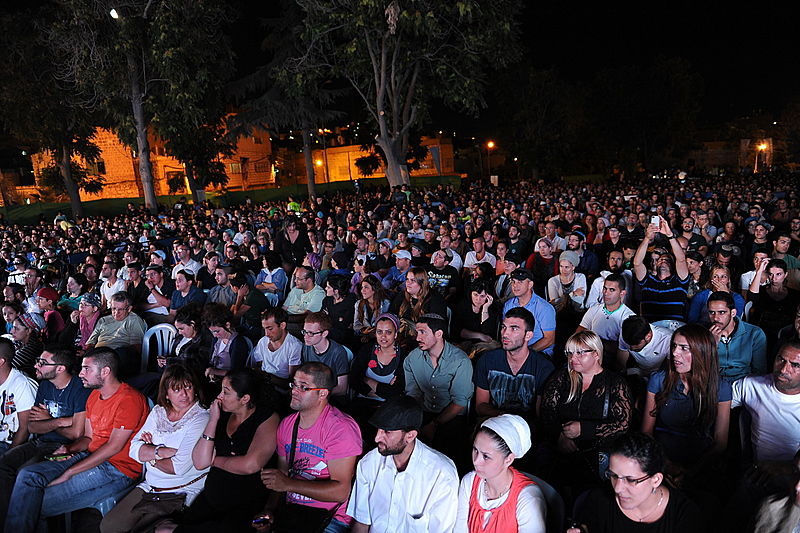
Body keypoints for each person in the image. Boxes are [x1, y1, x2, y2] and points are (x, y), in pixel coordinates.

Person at [5, 348, 149, 533]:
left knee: (31, 502)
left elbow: (113, 447)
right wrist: (69, 449)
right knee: (28, 477)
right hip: (89, 455)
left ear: (105, 371)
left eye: (86, 369)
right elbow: (88, 438)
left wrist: (70, 472)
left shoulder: (129, 399)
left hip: (116, 468)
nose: (80, 373)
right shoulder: (94, 396)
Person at [158, 369, 279, 533]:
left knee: (169, 530)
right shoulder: (221, 414)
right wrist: (213, 420)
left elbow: (251, 464)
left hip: (245, 504)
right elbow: (200, 462)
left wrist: (214, 460)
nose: (219, 396)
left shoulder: (267, 418)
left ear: (244, 399)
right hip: (212, 497)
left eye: (226, 392)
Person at [101, 364, 210, 533]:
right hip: (151, 485)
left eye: (188, 387)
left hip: (181, 490)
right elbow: (133, 449)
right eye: (176, 389)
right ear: (166, 394)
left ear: (195, 388)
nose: (184, 394)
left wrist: (150, 453)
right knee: (109, 526)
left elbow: (178, 468)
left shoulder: (201, 418)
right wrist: (162, 452)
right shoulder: (158, 412)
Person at [256, 362, 362, 533]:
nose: (294, 391)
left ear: (322, 393)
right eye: (294, 384)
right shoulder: (288, 425)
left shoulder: (340, 428)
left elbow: (341, 491)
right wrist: (269, 510)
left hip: (330, 518)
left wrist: (289, 484)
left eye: (303, 387)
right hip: (294, 512)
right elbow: (281, 478)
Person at [347, 395, 460, 533]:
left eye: (387, 431)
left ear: (410, 435)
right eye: (378, 429)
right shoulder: (369, 463)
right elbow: (362, 523)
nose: (377, 438)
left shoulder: (441, 474)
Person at [0, 347, 88, 520]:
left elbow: (76, 433)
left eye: (43, 363)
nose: (36, 366)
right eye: (38, 361)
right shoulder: (45, 386)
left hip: (66, 448)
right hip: (40, 442)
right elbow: (32, 427)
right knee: (3, 464)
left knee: (25, 472)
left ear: (60, 368)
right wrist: (61, 421)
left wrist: (47, 420)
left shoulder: (80, 388)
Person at [539, 331, 632, 487]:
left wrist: (584, 429)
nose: (572, 358)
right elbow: (547, 411)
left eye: (580, 353)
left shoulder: (615, 383)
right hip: (561, 450)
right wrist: (560, 436)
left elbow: (623, 424)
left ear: (596, 354)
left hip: (599, 454)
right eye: (569, 353)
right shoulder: (562, 378)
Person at [568, 432, 703, 533]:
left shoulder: (685, 515)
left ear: (656, 480)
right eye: (614, 475)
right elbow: (586, 526)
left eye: (631, 480)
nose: (617, 488)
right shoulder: (599, 500)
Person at [641, 325, 731, 474]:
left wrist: (690, 472)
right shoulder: (658, 380)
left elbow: (720, 442)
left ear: (702, 353)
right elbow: (646, 432)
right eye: (674, 346)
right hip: (661, 457)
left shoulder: (721, 388)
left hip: (702, 463)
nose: (675, 353)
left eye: (684, 348)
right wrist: (666, 465)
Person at [455, 414, 546, 533]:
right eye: (475, 450)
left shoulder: (528, 498)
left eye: (486, 456)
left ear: (508, 459)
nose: (476, 461)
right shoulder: (469, 482)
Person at [404, 313, 473, 455]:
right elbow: (413, 394)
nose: (417, 338)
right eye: (417, 332)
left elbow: (460, 402)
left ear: (439, 334)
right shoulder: (412, 358)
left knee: (449, 449)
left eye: (423, 332)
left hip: (452, 415)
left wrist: (434, 424)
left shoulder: (460, 361)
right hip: (425, 411)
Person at [474, 307, 555, 422]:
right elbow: (480, 405)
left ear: (528, 335)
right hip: (494, 423)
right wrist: (503, 416)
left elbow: (540, 416)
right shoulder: (487, 360)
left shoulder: (543, 367)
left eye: (514, 329)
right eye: (503, 327)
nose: (505, 334)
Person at [633, 217, 690, 325]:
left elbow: (681, 259)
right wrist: (647, 238)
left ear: (673, 265)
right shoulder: (647, 281)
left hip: (674, 328)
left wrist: (670, 235)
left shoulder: (680, 282)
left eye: (667, 259)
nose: (663, 260)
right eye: (660, 259)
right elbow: (637, 263)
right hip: (651, 329)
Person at [349, 313, 407, 409]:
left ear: (395, 334)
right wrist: (382, 392)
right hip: (362, 403)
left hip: (389, 408)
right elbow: (354, 380)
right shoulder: (367, 349)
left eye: (388, 332)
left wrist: (366, 379)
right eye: (379, 332)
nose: (383, 336)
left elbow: (395, 392)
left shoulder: (403, 357)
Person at [707, 291, 767, 382]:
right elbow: (701, 369)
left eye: (721, 312)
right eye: (712, 313)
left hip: (745, 382)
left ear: (733, 313)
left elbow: (759, 371)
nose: (715, 318)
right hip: (715, 382)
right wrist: (711, 345)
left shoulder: (754, 334)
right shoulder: (703, 334)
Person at [85, 291, 147, 376]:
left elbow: (137, 347)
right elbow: (91, 342)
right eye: (114, 308)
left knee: (123, 354)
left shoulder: (134, 320)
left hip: (118, 356)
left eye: (120, 309)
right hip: (99, 354)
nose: (116, 313)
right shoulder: (103, 320)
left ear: (129, 309)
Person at [576, 273, 635, 357]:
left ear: (622, 293)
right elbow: (578, 334)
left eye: (612, 290)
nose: (606, 293)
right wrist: (606, 344)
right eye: (605, 288)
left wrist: (591, 340)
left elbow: (621, 350)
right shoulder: (594, 309)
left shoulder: (629, 317)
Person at [502, 269, 556, 356]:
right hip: (513, 350)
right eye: (513, 282)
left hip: (539, 353)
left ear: (530, 284)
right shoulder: (508, 305)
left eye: (520, 282)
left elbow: (549, 339)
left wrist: (524, 353)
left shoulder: (544, 308)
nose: (515, 285)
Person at [0, 338, 37, 456]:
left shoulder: (22, 384)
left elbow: (25, 428)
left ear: (1, 361)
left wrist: (7, 457)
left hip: (10, 444)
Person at [300, 311, 350, 397]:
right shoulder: (306, 347)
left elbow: (342, 388)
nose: (306, 336)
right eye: (304, 331)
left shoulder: (338, 352)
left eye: (311, 333)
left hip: (330, 396)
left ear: (324, 334)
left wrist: (316, 394)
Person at [206, 306, 250, 382]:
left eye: (217, 331)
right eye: (212, 332)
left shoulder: (237, 343)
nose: (214, 335)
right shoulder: (217, 339)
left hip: (230, 381)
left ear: (227, 325)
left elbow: (236, 373)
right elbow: (211, 360)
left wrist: (215, 372)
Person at [322, 274, 357, 347]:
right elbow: (322, 317)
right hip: (328, 332)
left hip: (344, 338)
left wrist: (331, 319)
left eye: (328, 287)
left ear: (336, 291)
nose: (325, 288)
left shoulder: (350, 302)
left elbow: (345, 324)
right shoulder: (327, 300)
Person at [353, 276, 390, 342]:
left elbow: (387, 325)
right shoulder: (359, 304)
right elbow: (356, 325)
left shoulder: (385, 303)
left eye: (366, 287)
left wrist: (372, 333)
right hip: (363, 337)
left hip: (381, 338)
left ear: (374, 289)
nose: (362, 291)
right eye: (362, 287)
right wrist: (363, 331)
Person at [10, 313, 45, 377]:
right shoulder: (20, 342)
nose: (11, 331)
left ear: (28, 331)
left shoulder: (32, 348)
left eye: (16, 328)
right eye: (13, 327)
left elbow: (6, 367)